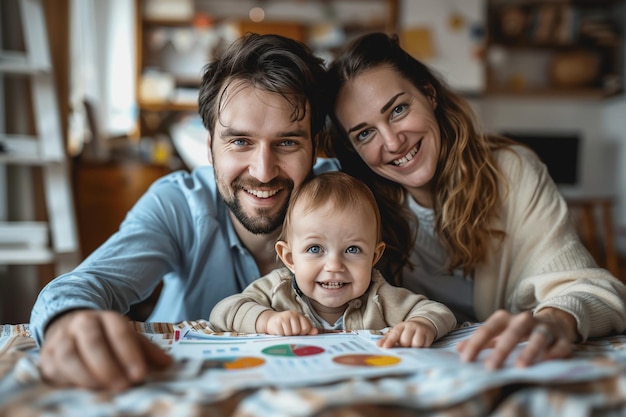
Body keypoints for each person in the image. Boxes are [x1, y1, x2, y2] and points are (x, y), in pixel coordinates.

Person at [29, 33, 339, 391]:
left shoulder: (349, 198)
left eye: (287, 142)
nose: (263, 171)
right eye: (240, 142)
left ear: (315, 147)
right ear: (210, 148)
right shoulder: (179, 203)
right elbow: (86, 284)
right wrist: (69, 319)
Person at [324, 32, 626, 369]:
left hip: (507, 367)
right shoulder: (355, 205)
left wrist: (556, 318)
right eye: (365, 133)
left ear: (429, 93)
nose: (393, 142)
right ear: (352, 149)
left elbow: (598, 292)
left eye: (398, 110)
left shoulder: (511, 171)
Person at [210, 171, 456, 348]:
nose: (335, 266)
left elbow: (440, 313)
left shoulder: (380, 297)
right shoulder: (277, 291)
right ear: (289, 258)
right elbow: (223, 312)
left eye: (352, 250)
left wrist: (422, 324)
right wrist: (267, 320)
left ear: (374, 256)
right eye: (315, 249)